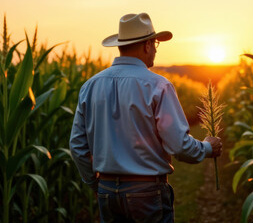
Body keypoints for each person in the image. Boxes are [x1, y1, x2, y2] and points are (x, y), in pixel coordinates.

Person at [69, 13, 223, 223]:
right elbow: (178, 145)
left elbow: (77, 145)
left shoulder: (90, 86)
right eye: (156, 44)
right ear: (147, 45)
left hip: (106, 191)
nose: (155, 51)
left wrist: (95, 184)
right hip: (147, 193)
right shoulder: (158, 85)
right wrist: (206, 148)